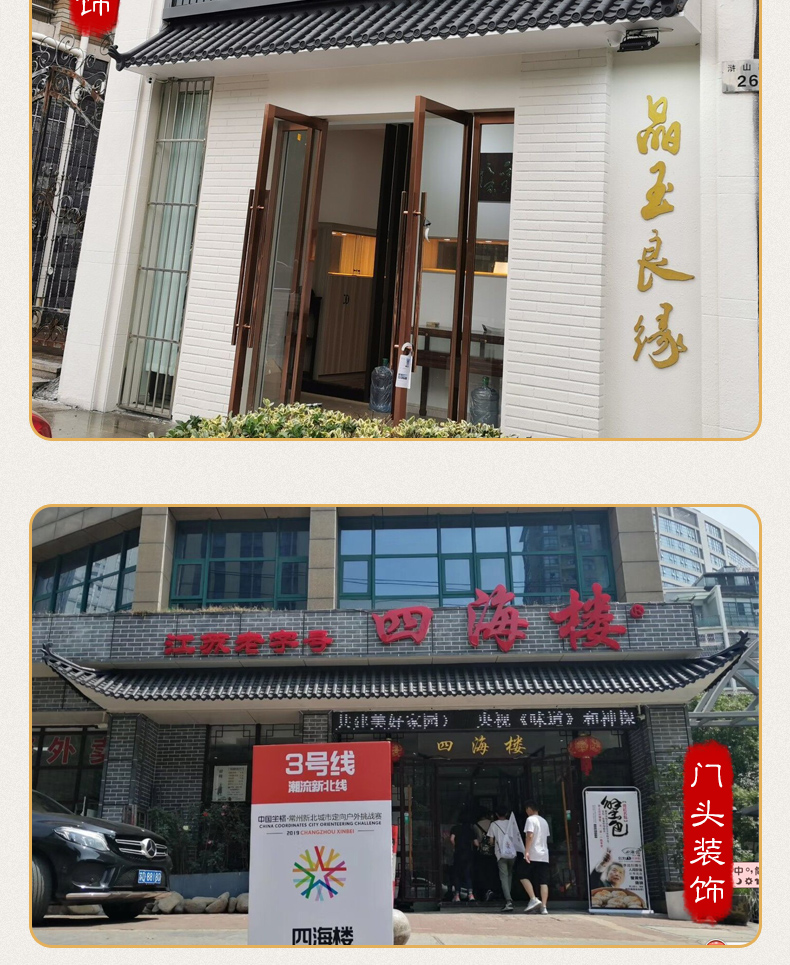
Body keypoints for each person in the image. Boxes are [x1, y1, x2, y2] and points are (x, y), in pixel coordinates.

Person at [517, 800, 551, 915]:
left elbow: (529, 836)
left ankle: (533, 898)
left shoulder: (530, 819)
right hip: (544, 854)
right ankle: (544, 907)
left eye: (526, 809)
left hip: (533, 853)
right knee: (543, 881)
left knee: (521, 874)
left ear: (530, 809)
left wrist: (526, 851)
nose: (526, 812)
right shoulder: (544, 821)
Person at [488, 807, 522, 911]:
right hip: (512, 853)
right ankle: (509, 896)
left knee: (503, 876)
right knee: (510, 874)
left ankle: (508, 900)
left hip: (501, 854)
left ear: (497, 815)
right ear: (507, 813)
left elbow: (491, 841)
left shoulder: (494, 824)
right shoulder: (511, 823)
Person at [449, 811, 479, 902]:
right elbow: (476, 843)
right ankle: (471, 895)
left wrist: (455, 846)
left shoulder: (455, 828)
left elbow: (451, 839)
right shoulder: (470, 830)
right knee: (468, 874)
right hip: (468, 854)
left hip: (458, 853)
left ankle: (457, 896)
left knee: (457, 874)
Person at [474, 809, 498, 901]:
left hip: (482, 852)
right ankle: (492, 889)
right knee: (492, 871)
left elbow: (478, 840)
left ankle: (485, 890)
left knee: (483, 872)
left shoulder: (476, 825)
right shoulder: (493, 823)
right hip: (493, 851)